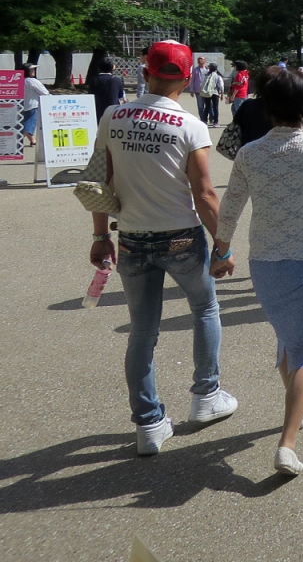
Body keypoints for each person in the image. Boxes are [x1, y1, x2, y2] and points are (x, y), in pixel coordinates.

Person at [86, 40, 237, 456]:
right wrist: (223, 246)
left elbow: (98, 182)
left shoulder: (113, 116)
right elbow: (204, 193)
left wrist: (100, 236)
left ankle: (149, 423)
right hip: (182, 236)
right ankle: (206, 395)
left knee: (142, 331)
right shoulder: (190, 125)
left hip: (132, 237)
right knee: (204, 308)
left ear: (144, 72)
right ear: (187, 79)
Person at [216, 68, 303, 476]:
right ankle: (287, 444)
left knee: (286, 339)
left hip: (264, 264)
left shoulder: (249, 153)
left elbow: (230, 209)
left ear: (268, 108)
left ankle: (302, 404)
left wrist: (220, 252)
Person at [21, 63, 49, 146]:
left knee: (26, 123)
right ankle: (15, 140)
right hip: (33, 106)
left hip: (22, 106)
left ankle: (33, 140)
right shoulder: (33, 81)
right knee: (29, 125)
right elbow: (44, 92)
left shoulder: (19, 81)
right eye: (31, 69)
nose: (34, 71)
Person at [200, 62, 224, 126]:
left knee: (207, 107)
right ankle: (215, 122)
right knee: (215, 108)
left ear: (210, 68)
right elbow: (221, 86)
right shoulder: (218, 76)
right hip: (215, 93)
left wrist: (201, 91)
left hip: (207, 93)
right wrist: (222, 94)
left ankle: (204, 121)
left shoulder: (206, 75)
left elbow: (202, 84)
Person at [188, 56, 209, 122]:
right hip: (198, 91)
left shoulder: (207, 70)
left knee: (208, 105)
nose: (200, 60)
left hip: (207, 91)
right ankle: (203, 119)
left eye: (201, 59)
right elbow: (192, 80)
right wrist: (191, 90)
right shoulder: (195, 70)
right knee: (200, 106)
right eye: (199, 59)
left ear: (205, 60)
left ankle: (209, 118)